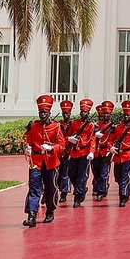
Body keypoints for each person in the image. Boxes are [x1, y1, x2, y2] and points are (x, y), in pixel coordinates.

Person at [23, 95, 66, 227]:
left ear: (49, 113)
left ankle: (50, 211)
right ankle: (31, 215)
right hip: (36, 161)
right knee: (34, 188)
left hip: (51, 161)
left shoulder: (56, 127)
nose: (42, 115)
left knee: (50, 188)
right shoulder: (33, 126)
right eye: (40, 112)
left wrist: (52, 148)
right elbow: (26, 140)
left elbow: (62, 145)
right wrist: (27, 148)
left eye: (45, 112)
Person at [110, 100, 130, 207]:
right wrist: (111, 148)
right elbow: (111, 139)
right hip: (118, 156)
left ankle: (122, 196)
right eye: (124, 115)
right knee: (118, 177)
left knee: (125, 176)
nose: (126, 117)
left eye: (128, 115)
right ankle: (126, 189)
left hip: (129, 156)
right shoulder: (117, 128)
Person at [65, 99, 96, 208]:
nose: (83, 113)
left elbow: (92, 139)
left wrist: (91, 152)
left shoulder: (91, 125)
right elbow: (67, 136)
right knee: (71, 174)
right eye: (82, 111)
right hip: (74, 152)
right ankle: (81, 188)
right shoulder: (74, 123)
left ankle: (77, 197)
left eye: (85, 111)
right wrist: (70, 138)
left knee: (82, 175)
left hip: (84, 152)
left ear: (88, 113)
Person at [92, 101, 114, 202]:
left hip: (106, 151)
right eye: (104, 114)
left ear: (110, 115)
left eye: (107, 114)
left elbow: (113, 139)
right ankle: (100, 185)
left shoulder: (112, 127)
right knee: (96, 172)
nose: (105, 115)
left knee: (103, 173)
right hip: (97, 151)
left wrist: (110, 150)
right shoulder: (96, 126)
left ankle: (101, 191)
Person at [57, 100, 74, 203]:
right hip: (59, 153)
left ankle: (64, 193)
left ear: (70, 114)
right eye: (64, 113)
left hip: (69, 152)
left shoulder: (73, 124)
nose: (65, 115)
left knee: (65, 173)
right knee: (58, 173)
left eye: (67, 113)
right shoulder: (58, 124)